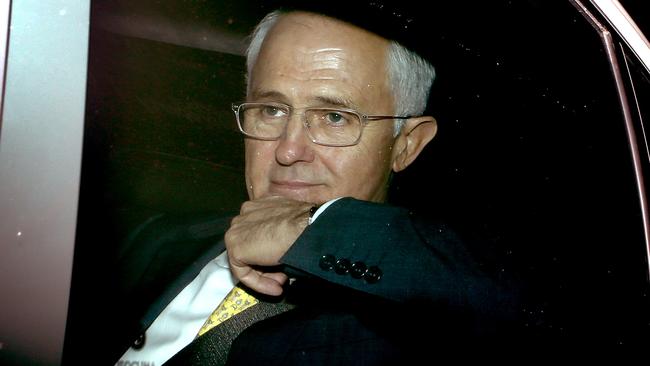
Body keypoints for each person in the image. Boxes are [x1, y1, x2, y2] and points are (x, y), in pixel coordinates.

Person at [107, 5, 520, 366]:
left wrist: (313, 228)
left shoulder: (427, 320)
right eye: (271, 109)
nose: (288, 150)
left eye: (334, 118)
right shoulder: (155, 240)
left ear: (406, 144)